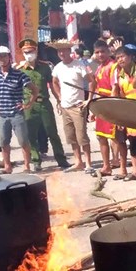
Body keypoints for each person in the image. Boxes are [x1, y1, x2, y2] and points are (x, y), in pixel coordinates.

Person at [17, 39, 69, 171]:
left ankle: (61, 159)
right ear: (23, 53)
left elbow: (52, 86)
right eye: (26, 52)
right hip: (29, 106)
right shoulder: (20, 70)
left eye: (31, 51)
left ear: (36, 51)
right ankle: (36, 160)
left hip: (44, 104)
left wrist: (59, 100)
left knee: (52, 132)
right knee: (31, 135)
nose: (29, 54)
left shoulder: (45, 67)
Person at [0, 46, 39, 174]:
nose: (2, 59)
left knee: (23, 141)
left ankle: (27, 166)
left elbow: (34, 90)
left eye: (4, 56)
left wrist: (28, 104)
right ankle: (7, 166)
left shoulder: (19, 74)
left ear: (9, 57)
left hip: (16, 113)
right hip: (2, 114)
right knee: (4, 142)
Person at [51, 41, 94, 174]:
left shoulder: (79, 65)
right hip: (65, 106)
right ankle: (78, 162)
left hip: (78, 105)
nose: (62, 53)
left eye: (64, 50)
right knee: (71, 136)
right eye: (59, 51)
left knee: (82, 136)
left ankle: (88, 163)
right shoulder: (57, 67)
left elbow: (92, 81)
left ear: (70, 51)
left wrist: (89, 99)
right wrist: (59, 97)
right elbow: (54, 82)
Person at [111, 46, 136, 181]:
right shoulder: (120, 75)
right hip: (130, 112)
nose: (120, 60)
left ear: (130, 57)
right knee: (133, 141)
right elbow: (121, 97)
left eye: (122, 56)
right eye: (118, 58)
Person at [92, 40, 118, 175]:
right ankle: (106, 165)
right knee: (101, 136)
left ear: (108, 52)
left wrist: (112, 105)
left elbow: (115, 87)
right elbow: (96, 87)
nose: (100, 54)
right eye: (97, 52)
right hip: (100, 105)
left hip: (110, 105)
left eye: (102, 51)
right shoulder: (99, 67)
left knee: (114, 136)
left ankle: (116, 161)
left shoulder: (113, 66)